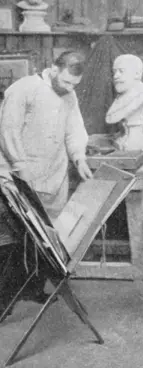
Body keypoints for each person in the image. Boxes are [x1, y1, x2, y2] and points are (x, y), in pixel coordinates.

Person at [0, 51, 92, 316]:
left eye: (75, 85)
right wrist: (19, 166)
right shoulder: (25, 88)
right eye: (66, 83)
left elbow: (74, 129)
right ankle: (4, 301)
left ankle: (34, 288)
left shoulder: (69, 96)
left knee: (47, 237)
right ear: (53, 69)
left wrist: (79, 157)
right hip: (21, 174)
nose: (70, 89)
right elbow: (8, 129)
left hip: (54, 174)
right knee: (16, 239)